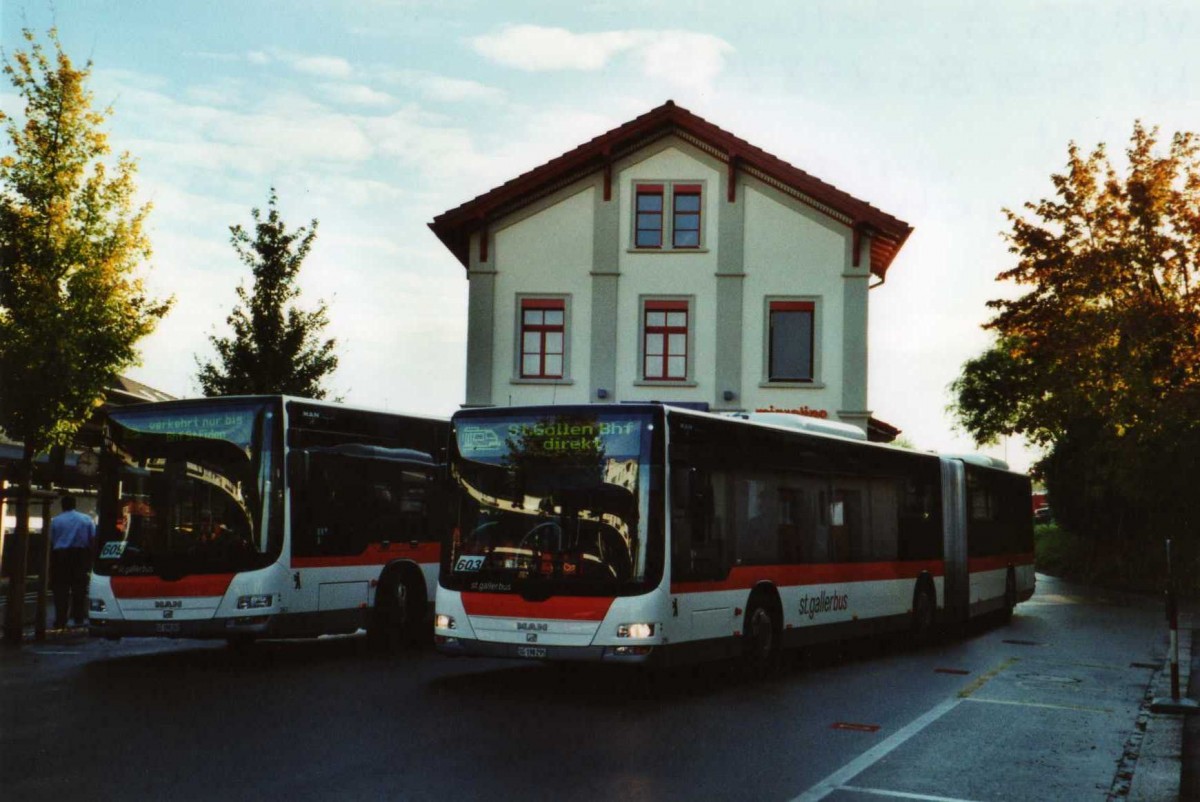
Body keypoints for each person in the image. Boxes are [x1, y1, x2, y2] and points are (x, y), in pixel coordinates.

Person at [50, 494, 96, 629]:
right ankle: (78, 618)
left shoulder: (56, 521)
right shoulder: (86, 519)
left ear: (62, 505)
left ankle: (60, 619)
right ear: (75, 505)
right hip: (80, 556)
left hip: (60, 556)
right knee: (79, 589)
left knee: (60, 589)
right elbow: (92, 539)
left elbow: (52, 541)